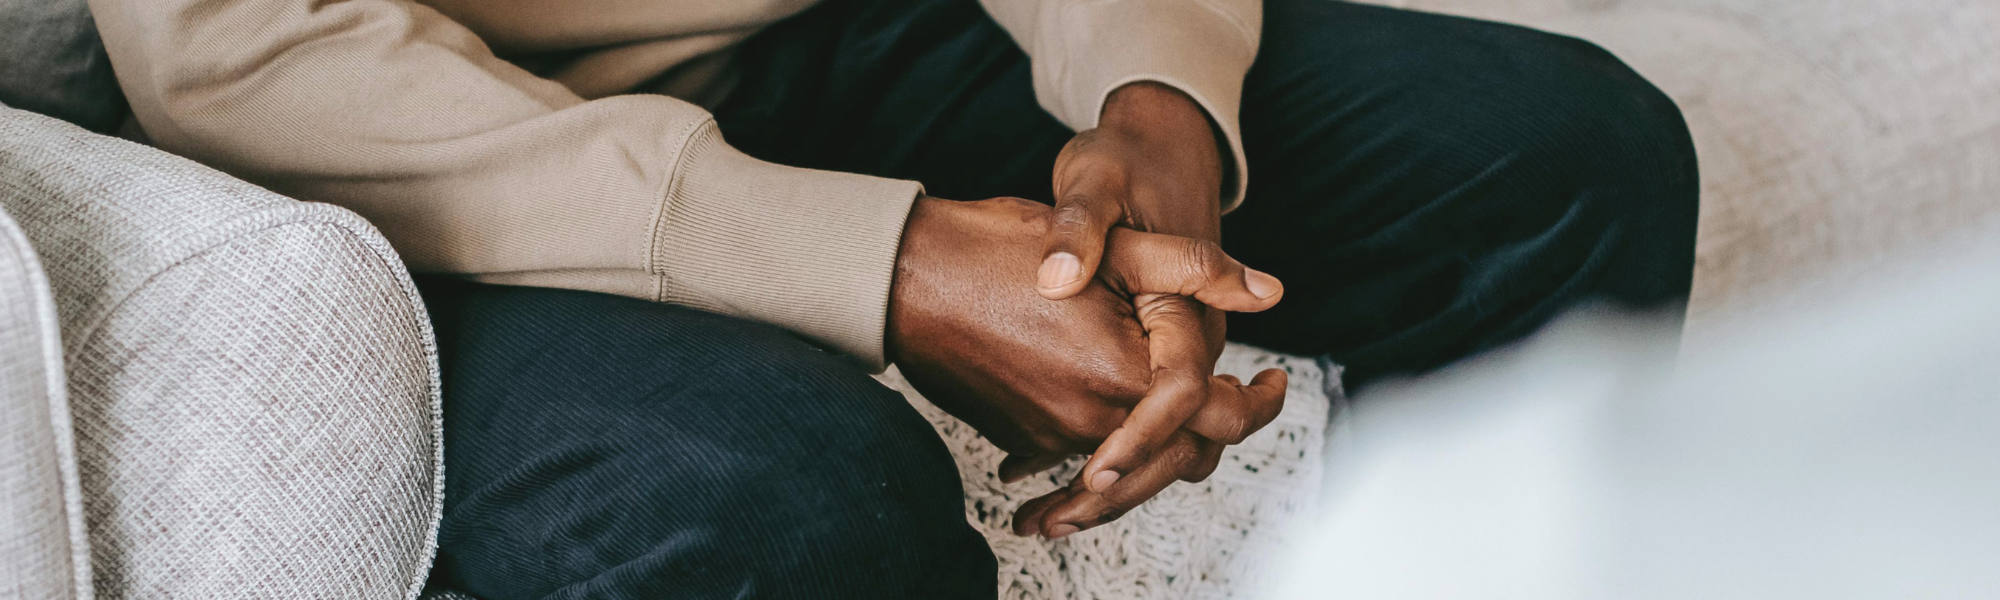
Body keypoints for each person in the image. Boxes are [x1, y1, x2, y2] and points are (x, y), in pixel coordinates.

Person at [84, 0, 1699, 596]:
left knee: (1570, 159)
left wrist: (1158, 103)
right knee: (789, 508)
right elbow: (244, 57)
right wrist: (892, 262)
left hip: (830, 35)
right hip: (429, 157)